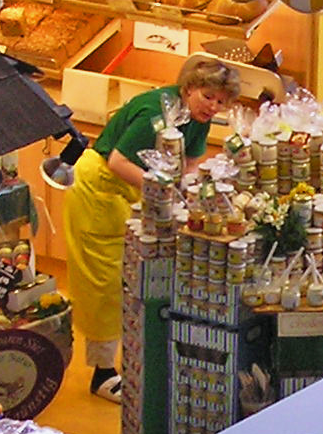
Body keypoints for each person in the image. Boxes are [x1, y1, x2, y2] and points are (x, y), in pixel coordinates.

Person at [66, 56, 238, 402]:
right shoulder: (155, 115)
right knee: (104, 283)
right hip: (100, 187)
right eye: (208, 96)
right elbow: (117, 161)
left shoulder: (195, 119)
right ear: (188, 88)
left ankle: (137, 362)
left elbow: (188, 163)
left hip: (133, 192)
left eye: (221, 101)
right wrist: (163, 189)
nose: (213, 106)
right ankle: (101, 373)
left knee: (131, 282)